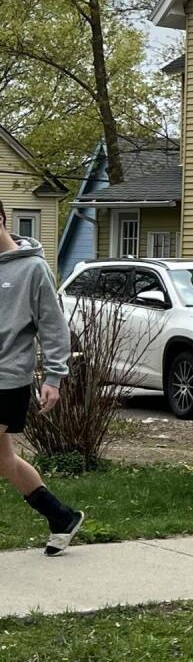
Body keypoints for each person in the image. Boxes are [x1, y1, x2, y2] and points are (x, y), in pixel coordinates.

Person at [0, 198, 84, 554]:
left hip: (7, 377)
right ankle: (61, 517)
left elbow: (53, 326)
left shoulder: (33, 269)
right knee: (4, 460)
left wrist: (54, 378)